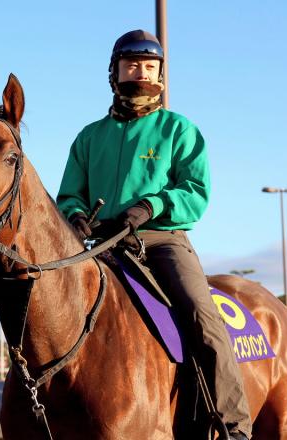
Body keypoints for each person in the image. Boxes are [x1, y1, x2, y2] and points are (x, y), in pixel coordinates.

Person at [56, 29, 252, 440]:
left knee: (203, 319)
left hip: (162, 243)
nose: (140, 74)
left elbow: (196, 192)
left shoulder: (179, 130)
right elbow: (69, 195)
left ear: (161, 74)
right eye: (132, 66)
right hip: (104, 247)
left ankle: (234, 427)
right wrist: (75, 217)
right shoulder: (89, 137)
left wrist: (153, 205)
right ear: (115, 72)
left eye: (149, 66)